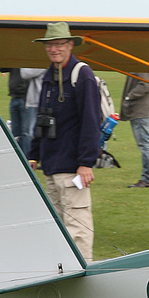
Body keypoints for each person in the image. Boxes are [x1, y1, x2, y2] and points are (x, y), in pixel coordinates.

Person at [28, 23, 101, 261]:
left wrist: (86, 163)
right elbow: (42, 118)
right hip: (51, 165)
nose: (54, 49)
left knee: (77, 225)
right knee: (58, 226)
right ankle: (62, 270)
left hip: (73, 168)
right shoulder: (49, 75)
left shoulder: (83, 74)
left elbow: (91, 121)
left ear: (70, 45)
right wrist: (34, 154)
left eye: (59, 44)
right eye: (50, 44)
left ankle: (84, 271)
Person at [120, 73, 149, 187]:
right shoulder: (140, 65)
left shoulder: (144, 66)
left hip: (139, 110)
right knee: (146, 144)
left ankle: (148, 178)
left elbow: (145, 85)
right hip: (137, 110)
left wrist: (129, 96)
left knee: (145, 144)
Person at [5, 66, 46, 149]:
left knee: (27, 132)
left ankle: (27, 159)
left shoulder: (37, 62)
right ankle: (18, 158)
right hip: (15, 95)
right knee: (16, 133)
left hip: (28, 99)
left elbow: (26, 74)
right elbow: (3, 68)